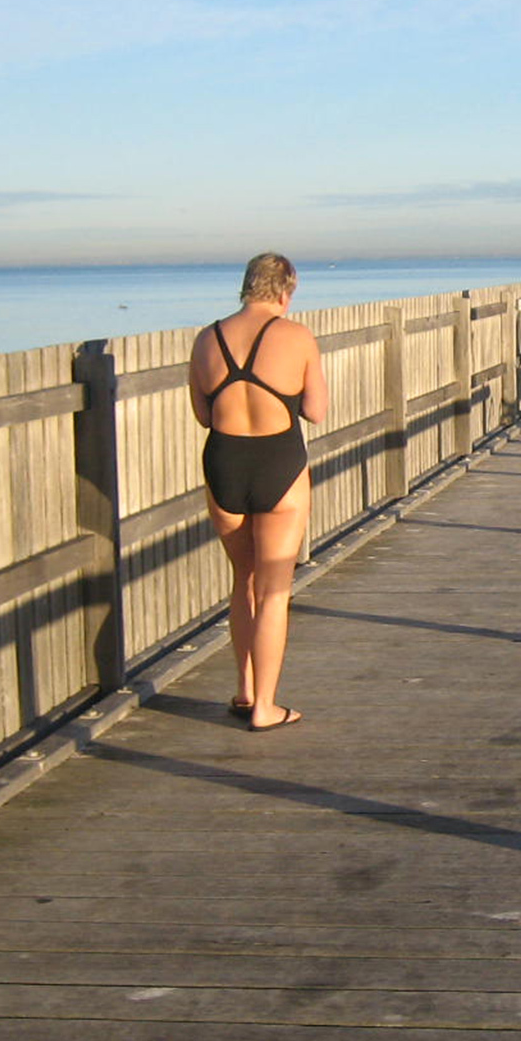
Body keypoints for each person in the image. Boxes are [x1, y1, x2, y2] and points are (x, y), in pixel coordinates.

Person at [187, 252, 329, 731]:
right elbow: (317, 411)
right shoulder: (296, 336)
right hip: (278, 463)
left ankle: (245, 691)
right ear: (286, 291)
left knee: (243, 578)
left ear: (245, 287)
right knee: (274, 591)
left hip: (225, 462)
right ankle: (267, 708)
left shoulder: (208, 338)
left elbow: (204, 415)